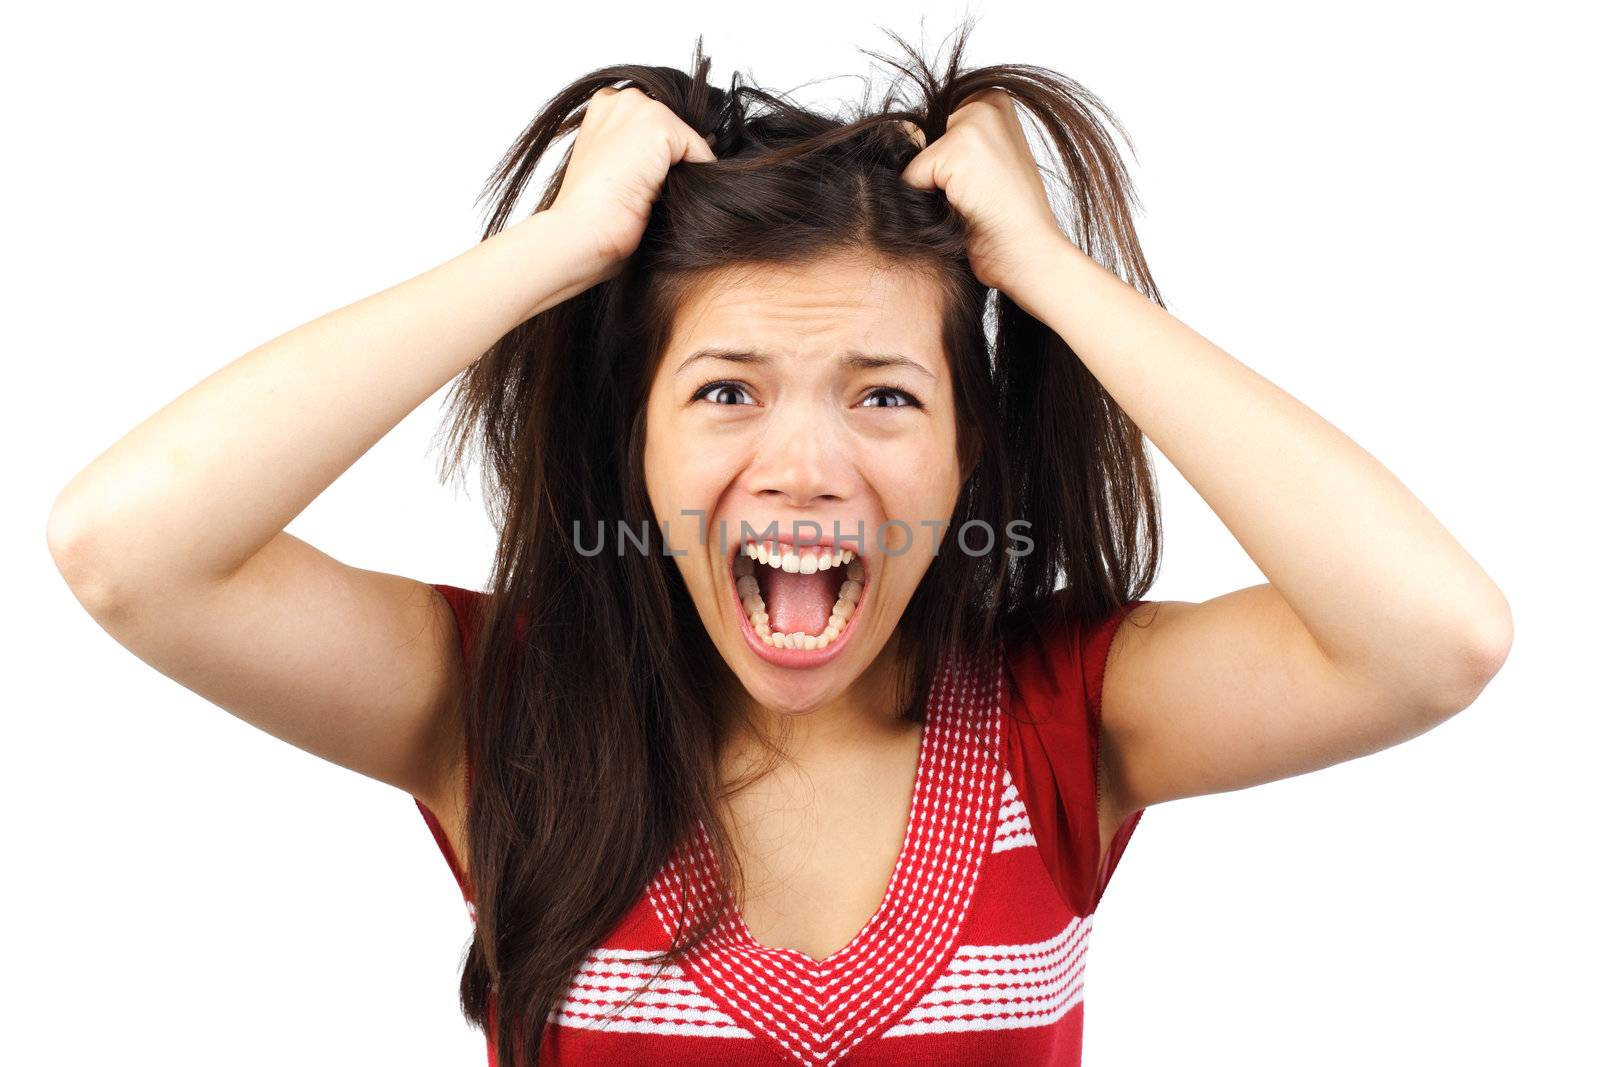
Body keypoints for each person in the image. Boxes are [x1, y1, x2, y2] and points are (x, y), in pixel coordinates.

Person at [45, 22, 1511, 1067]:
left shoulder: (1068, 720)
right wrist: (548, 251)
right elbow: (129, 546)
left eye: (885, 396)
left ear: (968, 452)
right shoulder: (502, 705)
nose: (807, 467)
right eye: (727, 391)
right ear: (640, 439)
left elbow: (1434, 640)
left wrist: (1048, 272)